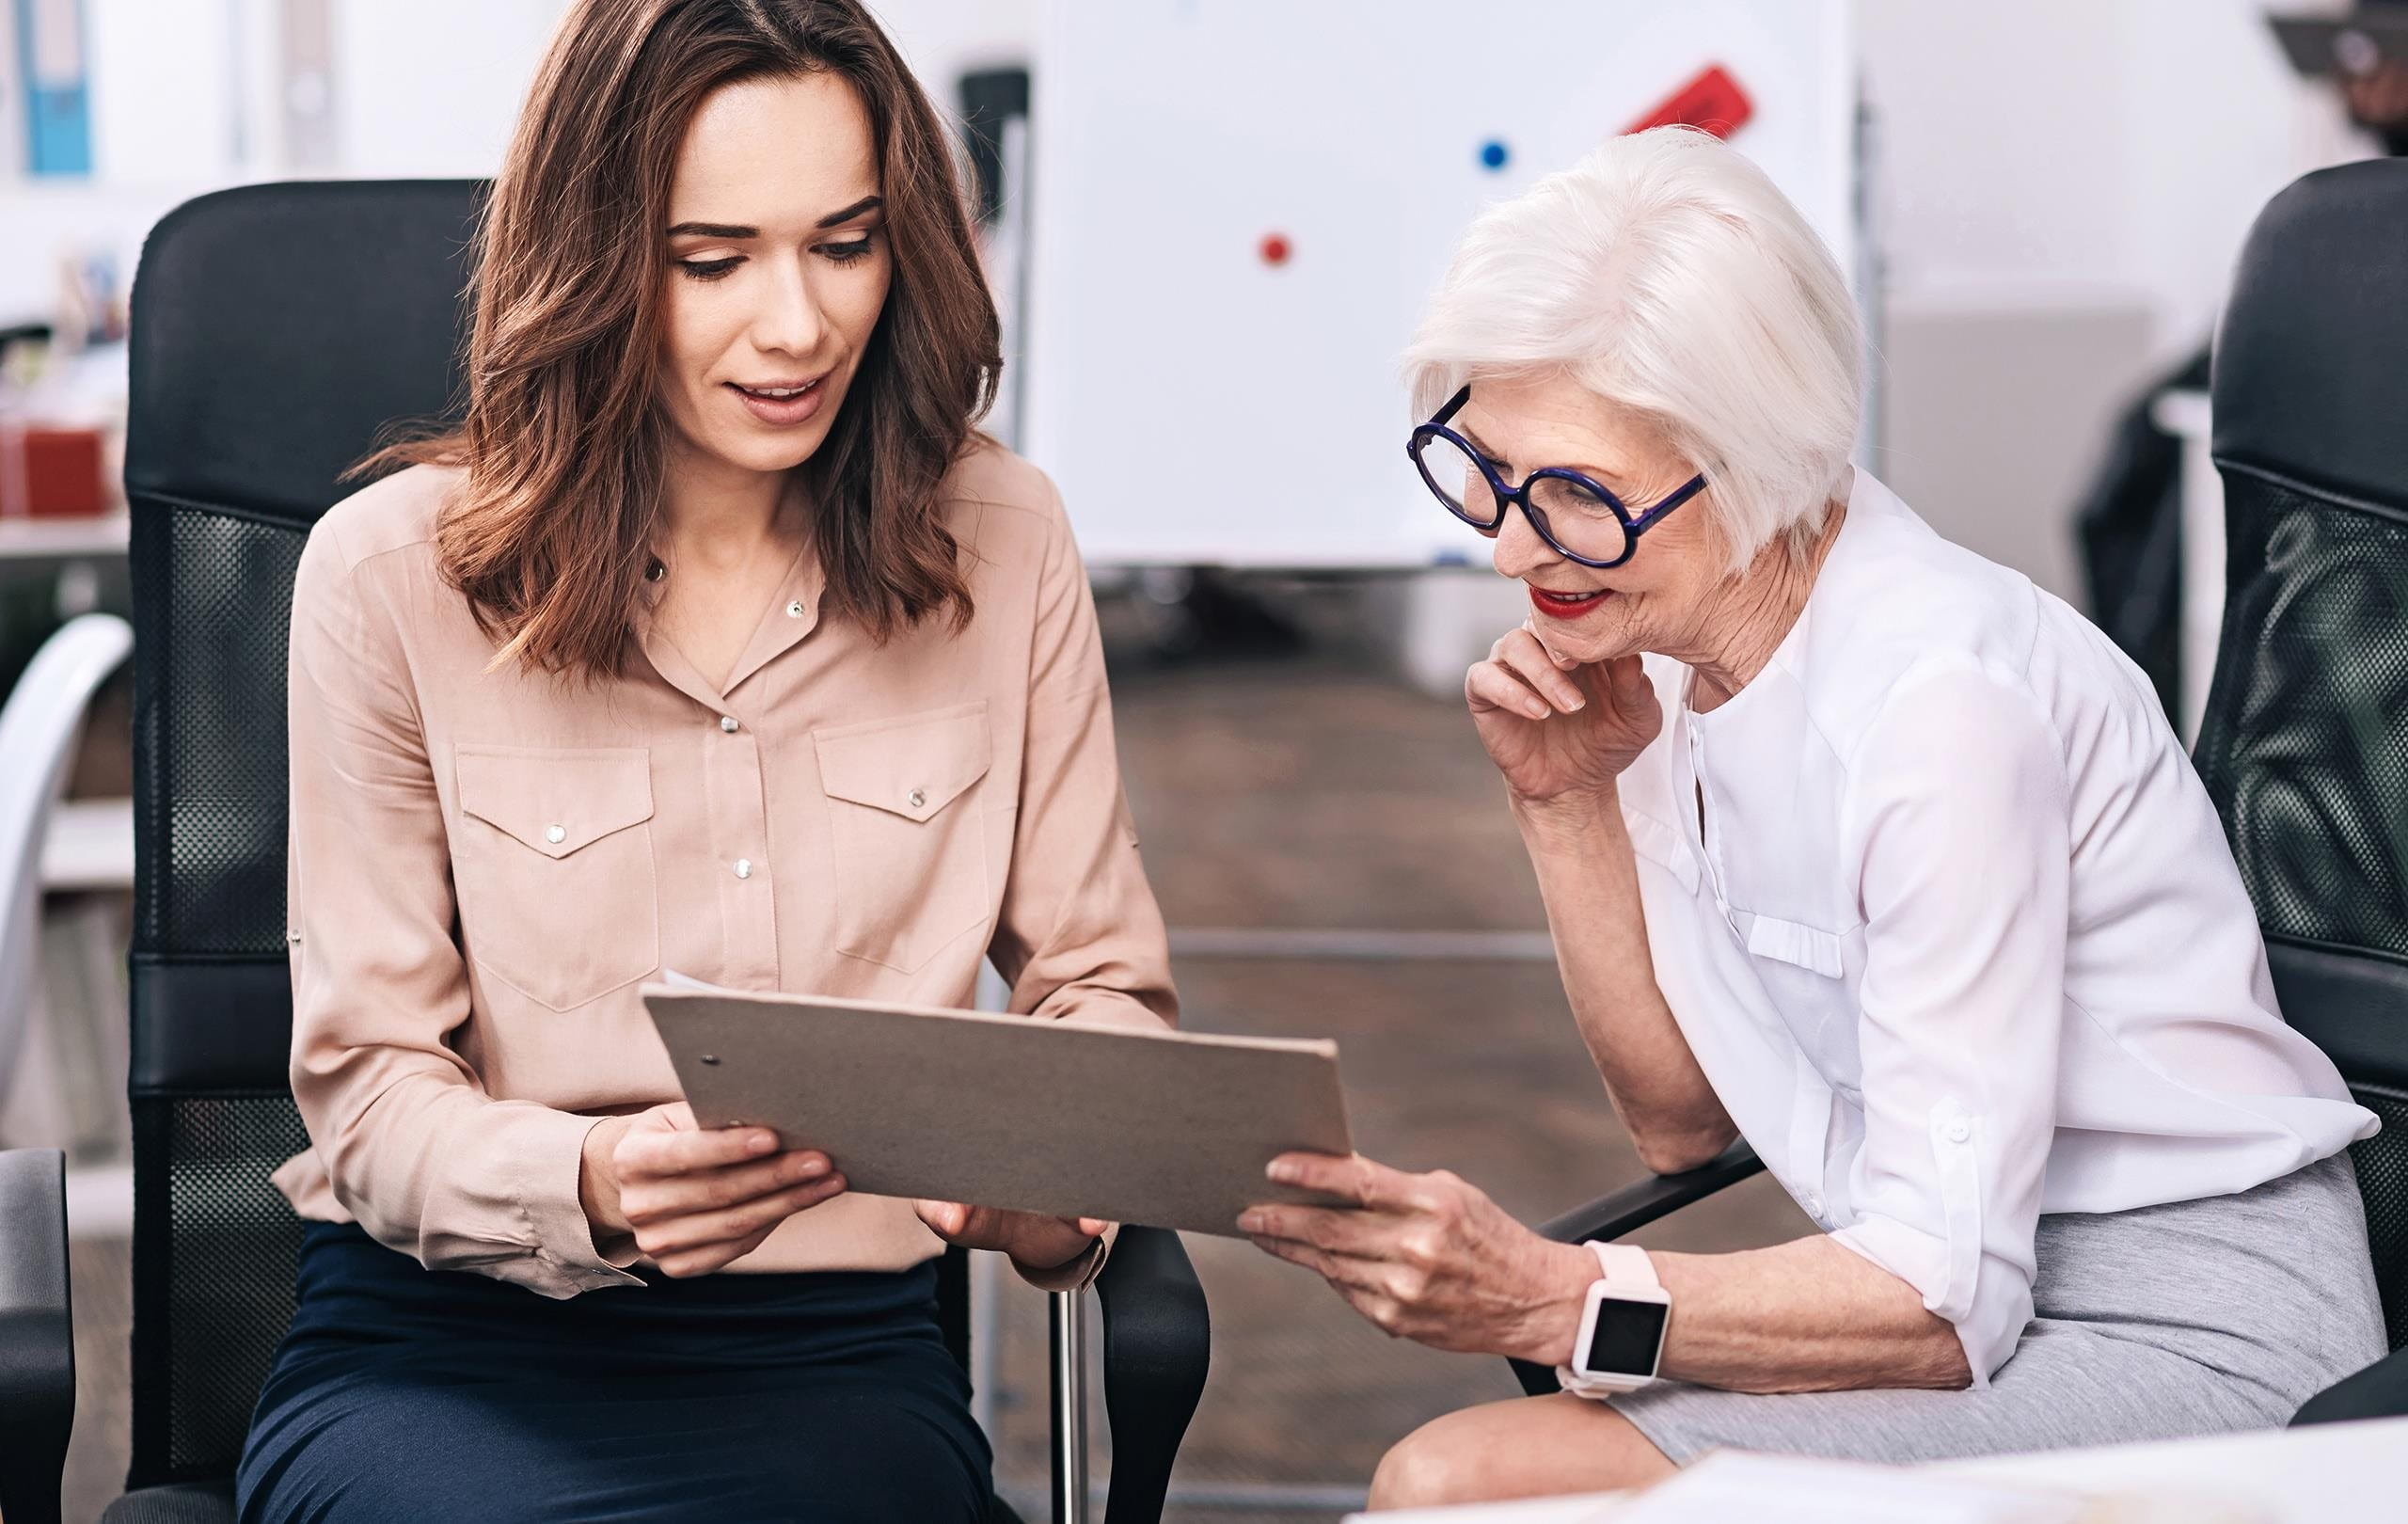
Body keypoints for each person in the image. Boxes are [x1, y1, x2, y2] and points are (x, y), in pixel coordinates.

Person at [1241, 127, 2384, 1511]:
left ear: (1752, 461)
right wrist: (1566, 798)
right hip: (1954, 1290)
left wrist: (1558, 1298)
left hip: (2184, 1337)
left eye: (1577, 501)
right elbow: (1679, 1121)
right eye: (1483, 470)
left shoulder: (1939, 706)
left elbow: (1940, 1308)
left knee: (1468, 1481)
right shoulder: (1666, 646)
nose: (1512, 547)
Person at [235, 2, 1176, 1519]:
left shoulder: (1001, 542)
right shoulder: (389, 576)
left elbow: (1102, 993)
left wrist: (1055, 1185)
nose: (798, 325)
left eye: (845, 243)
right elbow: (370, 1097)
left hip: (839, 1358)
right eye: (712, 259)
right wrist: (591, 1185)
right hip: (450, 1346)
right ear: (597, 263)